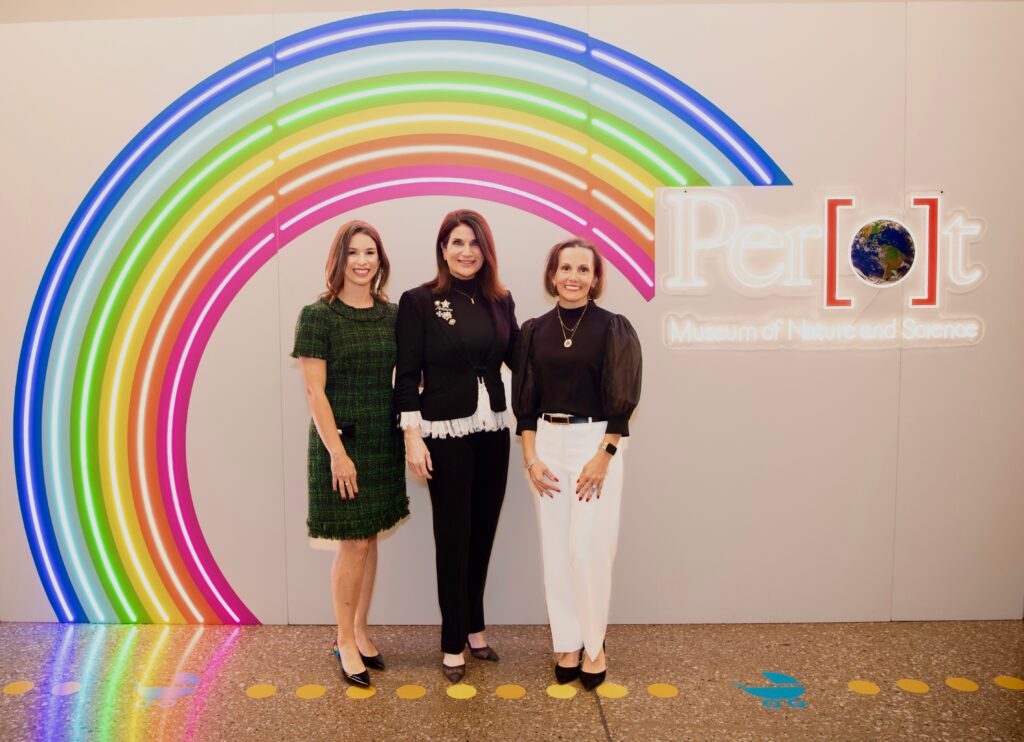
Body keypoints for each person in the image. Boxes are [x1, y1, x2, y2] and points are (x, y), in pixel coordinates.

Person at [394, 209, 519, 683]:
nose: (466, 251)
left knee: (483, 530)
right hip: (443, 430)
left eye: (474, 243)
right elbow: (405, 376)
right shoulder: (419, 301)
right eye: (457, 242)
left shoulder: (501, 301)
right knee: (452, 535)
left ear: (486, 251)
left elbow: (521, 356)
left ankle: (474, 626)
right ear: (443, 248)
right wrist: (412, 437)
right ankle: (451, 640)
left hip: (493, 429)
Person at [513, 237, 642, 690]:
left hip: (595, 442)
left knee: (589, 549)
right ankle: (566, 642)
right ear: (552, 274)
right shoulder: (533, 330)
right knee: (556, 551)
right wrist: (530, 459)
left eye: (582, 270)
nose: (573, 276)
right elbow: (524, 403)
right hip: (546, 443)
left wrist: (604, 455)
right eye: (565, 268)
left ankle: (594, 644)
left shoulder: (613, 328)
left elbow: (623, 400)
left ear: (595, 277)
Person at [292, 220, 409, 688]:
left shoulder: (394, 315)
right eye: (353, 253)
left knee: (371, 534)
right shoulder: (317, 316)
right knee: (353, 541)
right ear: (338, 260)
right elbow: (314, 393)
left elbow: (406, 375)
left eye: (370, 253)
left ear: (380, 261)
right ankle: (343, 638)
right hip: (339, 443)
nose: (362, 261)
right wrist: (338, 454)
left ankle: (360, 629)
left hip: (382, 440)